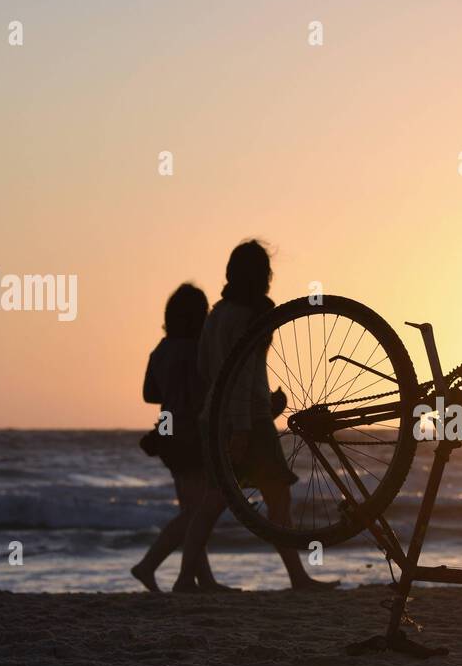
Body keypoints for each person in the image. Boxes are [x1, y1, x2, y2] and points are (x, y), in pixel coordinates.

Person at [177, 239, 334, 591]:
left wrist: (261, 404)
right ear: (263, 276)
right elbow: (244, 371)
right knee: (277, 498)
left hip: (215, 418)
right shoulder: (253, 315)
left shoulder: (216, 314)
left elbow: (206, 369)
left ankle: (187, 577)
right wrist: (246, 425)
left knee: (215, 498)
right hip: (246, 421)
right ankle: (298, 577)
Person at [131, 284, 235, 592]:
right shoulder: (195, 350)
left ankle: (201, 578)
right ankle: (148, 565)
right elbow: (200, 395)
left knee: (191, 509)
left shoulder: (160, 350)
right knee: (197, 511)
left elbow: (150, 394)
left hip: (166, 430)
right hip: (190, 433)